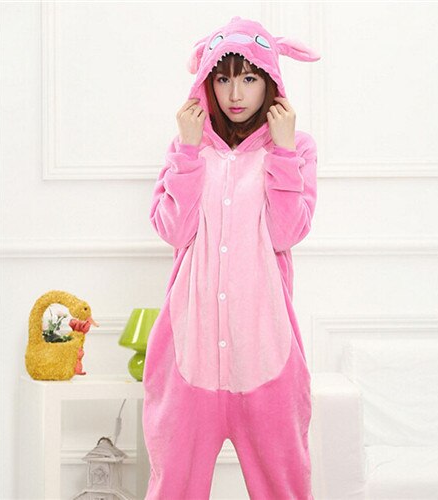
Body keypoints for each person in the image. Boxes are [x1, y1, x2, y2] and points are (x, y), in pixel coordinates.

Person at [142, 15, 320, 499]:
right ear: (207, 82)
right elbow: (173, 230)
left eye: (249, 78)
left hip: (265, 356)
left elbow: (287, 232)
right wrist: (187, 152)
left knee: (284, 490)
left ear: (270, 81)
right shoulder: (187, 148)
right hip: (188, 358)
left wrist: (284, 152)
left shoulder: (296, 148)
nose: (235, 93)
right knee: (173, 489)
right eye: (222, 79)